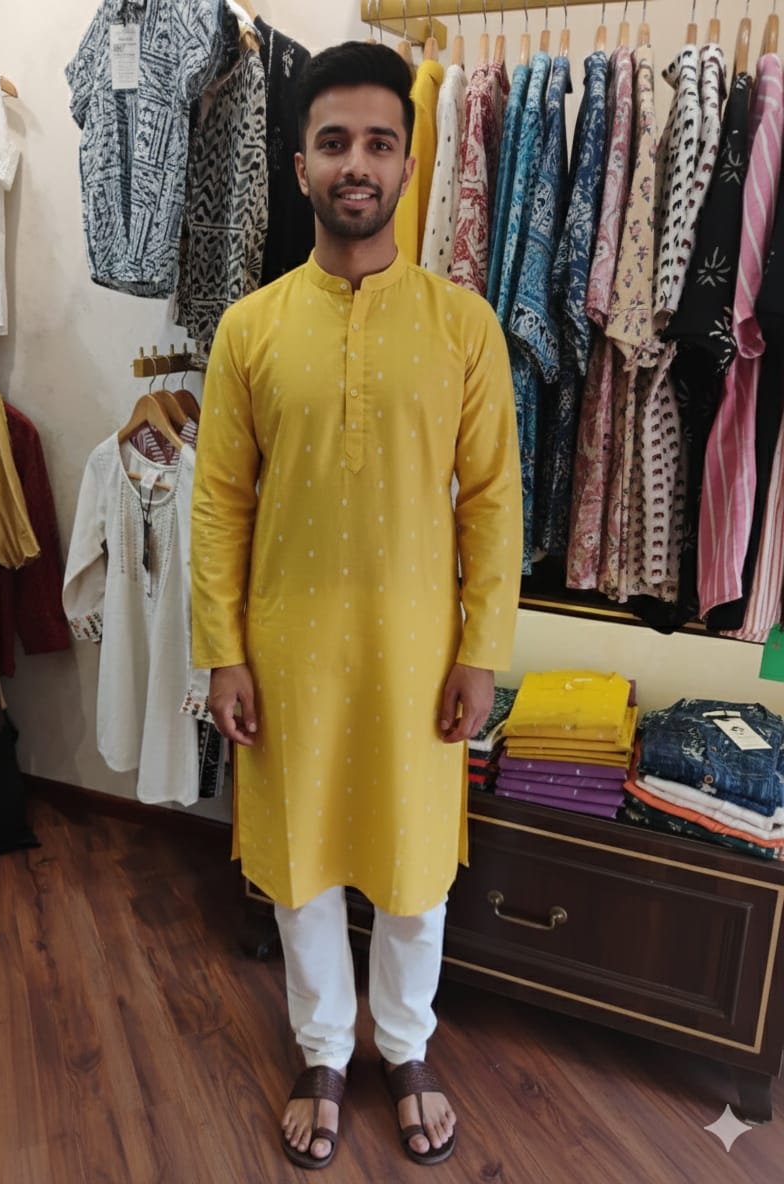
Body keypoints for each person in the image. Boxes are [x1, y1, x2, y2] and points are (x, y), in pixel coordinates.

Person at [191, 41, 522, 1170]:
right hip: (285, 650)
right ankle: (326, 1050)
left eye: (380, 142)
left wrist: (481, 651)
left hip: (418, 651)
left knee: (417, 863)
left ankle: (407, 1045)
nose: (357, 164)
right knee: (302, 865)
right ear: (299, 166)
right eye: (334, 142)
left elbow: (494, 501)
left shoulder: (464, 326)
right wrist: (222, 651)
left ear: (408, 163)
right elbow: (219, 504)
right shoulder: (249, 328)